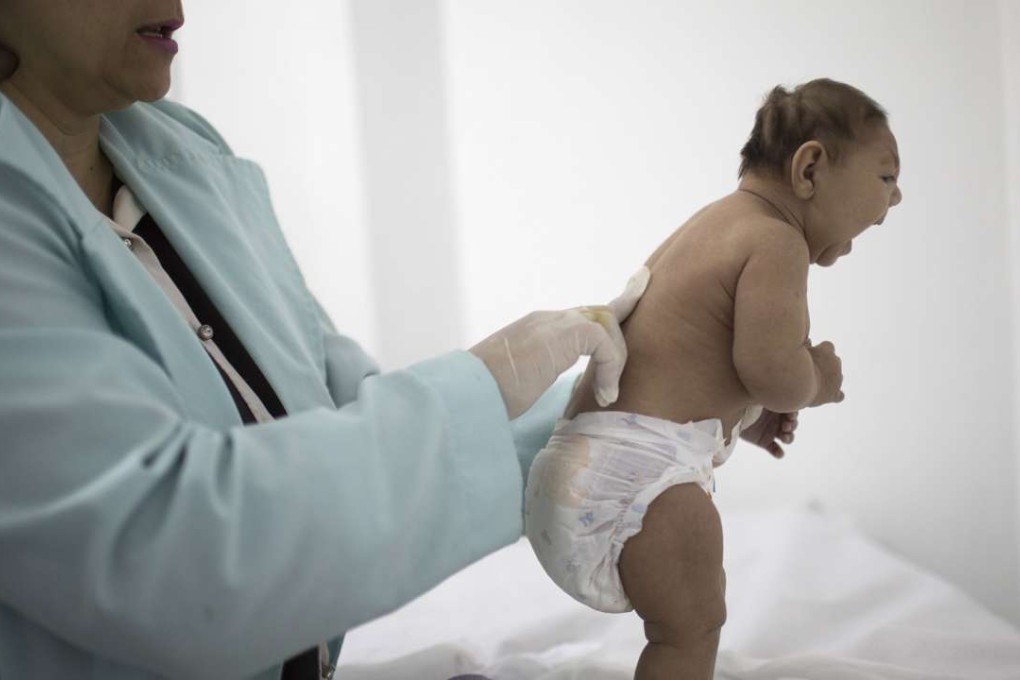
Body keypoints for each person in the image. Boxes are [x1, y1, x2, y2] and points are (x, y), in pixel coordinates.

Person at [0, 3, 651, 679]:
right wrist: (484, 385)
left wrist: (637, 400)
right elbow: (174, 560)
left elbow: (343, 427)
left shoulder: (180, 154)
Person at [524, 78, 903, 679]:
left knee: (686, 615)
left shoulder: (715, 224)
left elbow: (690, 359)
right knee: (691, 628)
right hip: (635, 476)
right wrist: (819, 379)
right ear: (810, 169)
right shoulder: (777, 242)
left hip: (579, 467)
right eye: (886, 177)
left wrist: (743, 422)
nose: (898, 197)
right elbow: (775, 373)